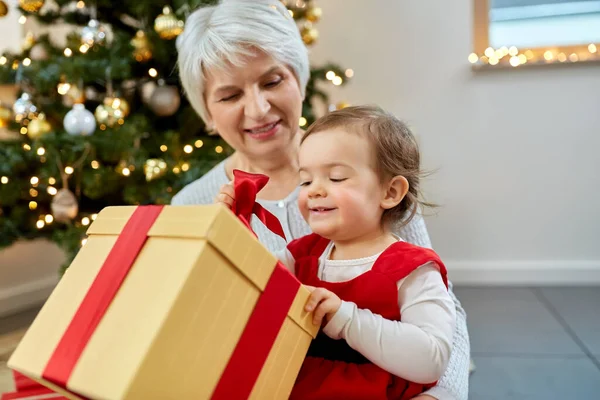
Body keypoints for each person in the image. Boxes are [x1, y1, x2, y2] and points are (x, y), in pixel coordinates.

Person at [173, 1, 470, 398]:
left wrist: (441, 395)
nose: (259, 109)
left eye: (273, 81)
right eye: (229, 96)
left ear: (299, 78)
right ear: (207, 113)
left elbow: (442, 311)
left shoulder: (366, 174)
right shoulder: (192, 205)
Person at [217, 105, 456, 399]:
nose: (314, 190)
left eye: (337, 177)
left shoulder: (413, 269)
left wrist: (347, 318)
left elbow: (431, 360)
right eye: (305, 180)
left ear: (390, 192)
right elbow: (249, 284)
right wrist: (229, 229)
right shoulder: (301, 255)